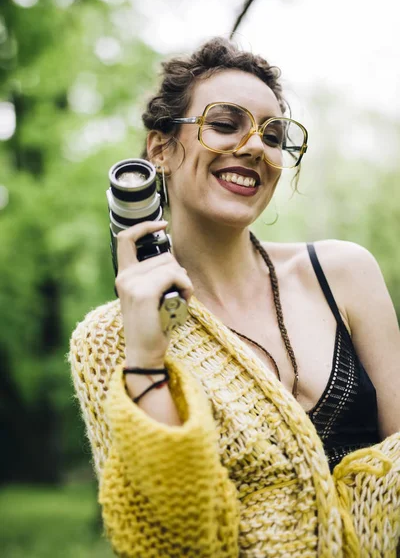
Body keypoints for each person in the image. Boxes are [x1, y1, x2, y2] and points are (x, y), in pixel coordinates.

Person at [69, 37, 400, 557]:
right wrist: (146, 357)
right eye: (225, 124)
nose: (256, 147)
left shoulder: (344, 274)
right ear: (160, 149)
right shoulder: (109, 338)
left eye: (273, 135)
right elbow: (169, 539)